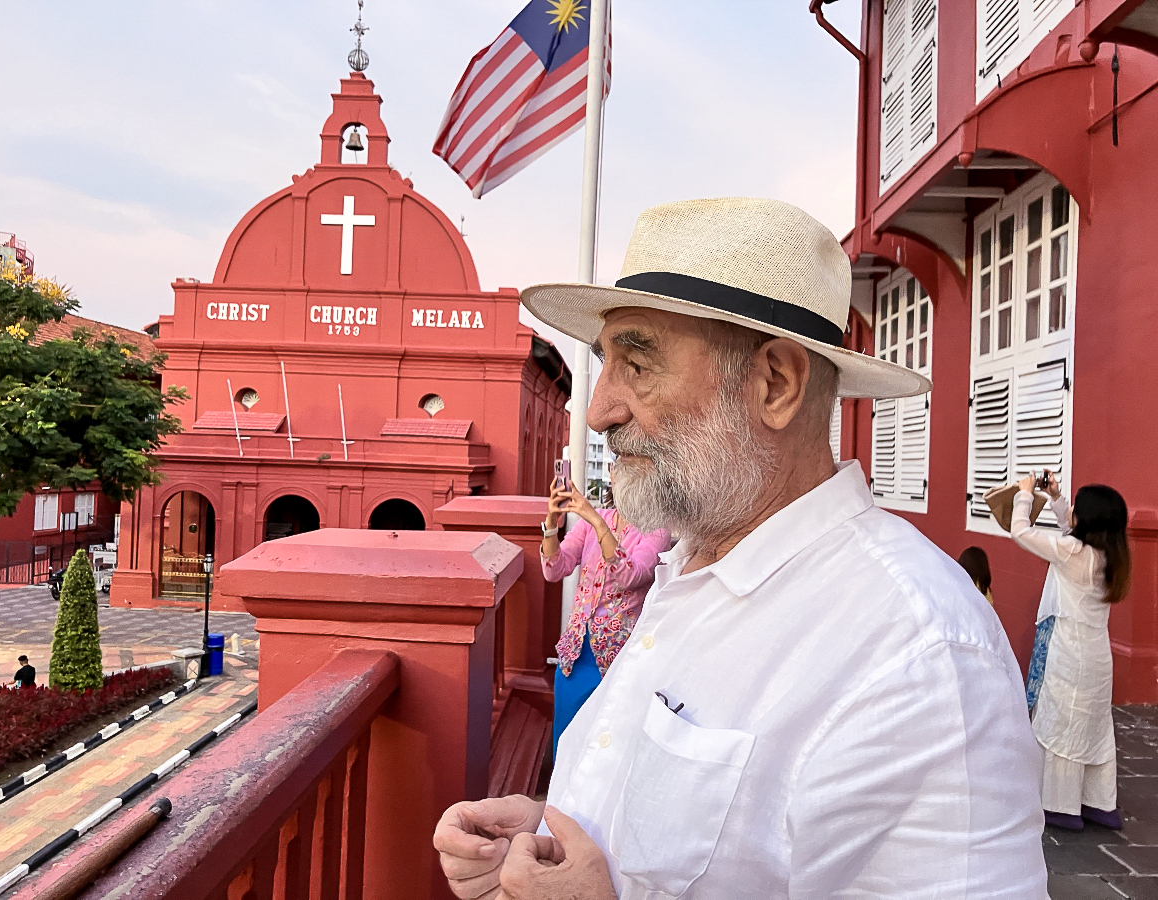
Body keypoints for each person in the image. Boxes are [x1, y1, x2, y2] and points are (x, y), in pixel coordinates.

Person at [434, 197, 1046, 898]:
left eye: (636, 363)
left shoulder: (915, 653)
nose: (598, 410)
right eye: (605, 363)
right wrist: (555, 830)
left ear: (775, 384)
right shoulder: (693, 562)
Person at [1012, 470, 1131, 832]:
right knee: (1093, 726)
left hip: (1068, 653)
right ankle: (1097, 803)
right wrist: (1058, 499)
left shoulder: (1072, 552)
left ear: (1088, 519)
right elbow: (1071, 531)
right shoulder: (1111, 556)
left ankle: (1060, 805)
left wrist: (1024, 495)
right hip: (1097, 656)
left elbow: (1020, 532)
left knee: (1061, 722)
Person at [541, 476, 669, 757]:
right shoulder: (593, 520)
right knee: (567, 744)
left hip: (618, 660)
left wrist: (597, 523)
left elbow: (632, 575)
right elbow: (554, 569)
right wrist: (551, 522)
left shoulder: (657, 531)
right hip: (575, 656)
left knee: (605, 748)